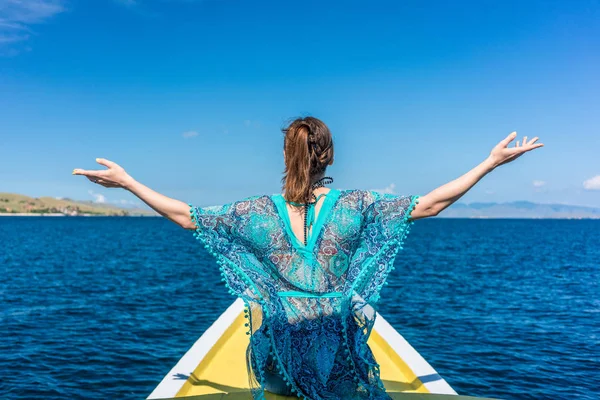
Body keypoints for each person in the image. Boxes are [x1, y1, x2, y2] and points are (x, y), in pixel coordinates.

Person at [73, 117, 543, 399]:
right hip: (336, 354)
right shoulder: (358, 205)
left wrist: (130, 183)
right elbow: (433, 203)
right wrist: (490, 163)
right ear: (329, 156)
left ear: (285, 154)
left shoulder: (254, 213)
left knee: (275, 377)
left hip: (279, 360)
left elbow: (186, 216)